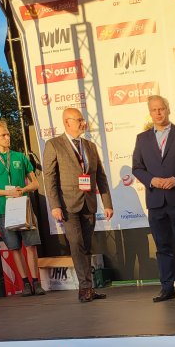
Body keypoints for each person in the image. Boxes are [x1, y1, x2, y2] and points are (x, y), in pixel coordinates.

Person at [132, 95, 175, 301]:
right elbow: (137, 168)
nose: (158, 113)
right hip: (156, 201)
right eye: (154, 110)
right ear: (150, 112)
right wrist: (152, 180)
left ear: (168, 109)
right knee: (162, 247)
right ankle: (167, 288)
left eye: (161, 108)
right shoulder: (142, 139)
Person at [42, 108, 114, 302]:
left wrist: (107, 203)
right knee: (76, 244)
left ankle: (88, 287)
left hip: (88, 203)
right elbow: (49, 178)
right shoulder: (54, 144)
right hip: (67, 205)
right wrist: (55, 205)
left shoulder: (89, 145)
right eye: (79, 120)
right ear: (67, 122)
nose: (84, 123)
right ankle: (84, 289)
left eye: (83, 120)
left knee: (87, 246)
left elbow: (100, 176)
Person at [0, 120, 45, 297]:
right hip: (3, 210)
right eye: (3, 135)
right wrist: (6, 192)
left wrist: (22, 190)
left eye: (8, 134)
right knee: (14, 248)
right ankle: (25, 283)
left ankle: (36, 282)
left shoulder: (20, 157)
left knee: (31, 245)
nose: (7, 137)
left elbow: (35, 183)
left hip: (23, 207)